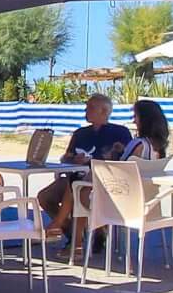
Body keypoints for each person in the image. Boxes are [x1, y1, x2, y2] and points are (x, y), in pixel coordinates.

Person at [39, 94, 132, 247]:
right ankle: (71, 229)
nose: (86, 111)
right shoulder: (80, 133)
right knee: (44, 197)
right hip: (76, 176)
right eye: (86, 107)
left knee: (76, 187)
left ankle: (70, 233)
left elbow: (126, 160)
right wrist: (73, 159)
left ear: (104, 111)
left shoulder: (120, 132)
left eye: (91, 108)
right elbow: (66, 158)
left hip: (103, 181)